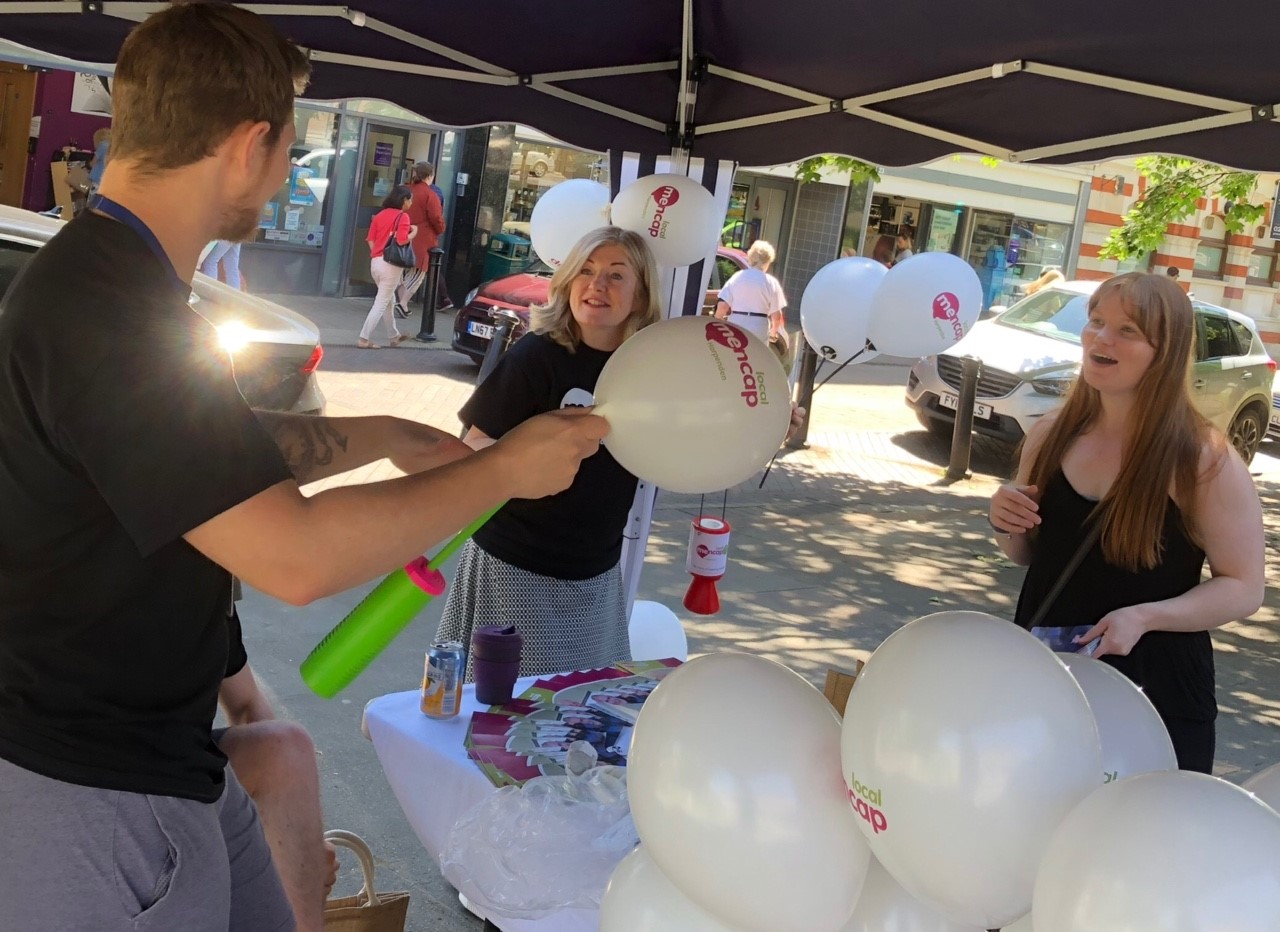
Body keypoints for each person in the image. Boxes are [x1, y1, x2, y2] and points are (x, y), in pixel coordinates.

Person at [0, 4, 607, 929]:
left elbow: (197, 462)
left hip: (155, 758)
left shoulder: (121, 284)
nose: (290, 172)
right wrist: (501, 470)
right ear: (248, 147)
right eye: (288, 150)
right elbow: (294, 558)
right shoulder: (108, 310)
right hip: (90, 785)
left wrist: (381, 437)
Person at [989, 272, 1265, 773]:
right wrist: (1007, 521)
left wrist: (1146, 617)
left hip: (1156, 695)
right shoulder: (1050, 434)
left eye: (1127, 330)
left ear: (1166, 350)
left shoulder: (1203, 460)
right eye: (1095, 322)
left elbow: (1245, 587)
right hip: (1052, 682)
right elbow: (1027, 554)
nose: (1101, 338)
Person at [437, 226, 662, 677]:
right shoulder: (536, 356)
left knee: (576, 716)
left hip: (595, 575)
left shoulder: (649, 370)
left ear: (639, 297)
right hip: (514, 566)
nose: (597, 285)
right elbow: (472, 446)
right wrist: (529, 458)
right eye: (586, 271)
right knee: (503, 716)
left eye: (616, 276)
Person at [217, 610, 338, 932]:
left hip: (185, 765)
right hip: (87, 774)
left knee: (287, 748)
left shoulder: (206, 585)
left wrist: (302, 846)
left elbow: (246, 704)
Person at [359, 184, 416, 348]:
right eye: (410, 200)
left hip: (376, 263)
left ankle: (394, 336)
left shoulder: (380, 215)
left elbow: (370, 239)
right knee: (381, 302)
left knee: (389, 300)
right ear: (404, 200)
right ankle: (364, 338)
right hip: (390, 265)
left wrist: (377, 254)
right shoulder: (403, 217)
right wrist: (414, 232)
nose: (411, 203)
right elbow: (402, 240)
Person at [394, 161, 447, 323]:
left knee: (403, 271)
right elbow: (436, 218)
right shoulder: (430, 194)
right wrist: (440, 229)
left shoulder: (405, 190)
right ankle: (402, 303)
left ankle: (400, 304)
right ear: (430, 175)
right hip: (422, 237)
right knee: (418, 273)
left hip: (401, 233)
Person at [714, 239, 788, 345]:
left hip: (736, 324)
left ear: (751, 258)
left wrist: (718, 322)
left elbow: (722, 305)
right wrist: (773, 333)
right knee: (756, 358)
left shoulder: (737, 277)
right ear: (767, 261)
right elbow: (776, 316)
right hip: (759, 327)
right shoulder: (771, 282)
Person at [87, 126, 110, 199]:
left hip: (96, 179)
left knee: (91, 202)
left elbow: (93, 163)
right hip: (106, 180)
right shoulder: (112, 147)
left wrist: (87, 164)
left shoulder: (103, 146)